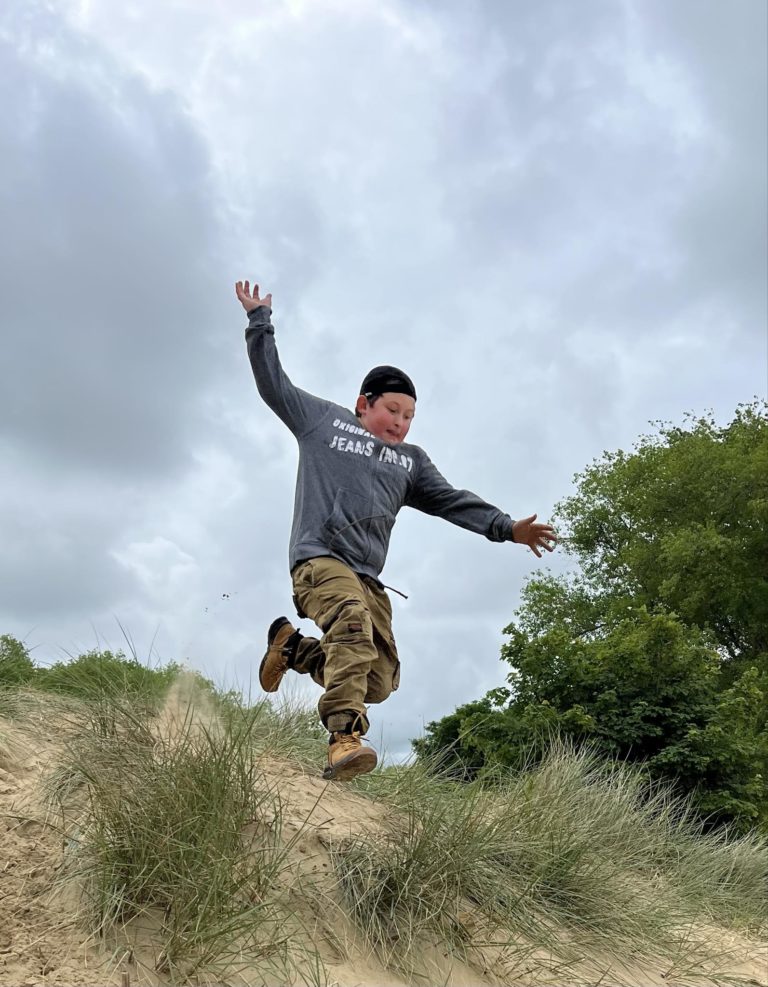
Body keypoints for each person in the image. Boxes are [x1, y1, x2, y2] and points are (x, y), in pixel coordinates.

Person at [236, 279, 556, 781]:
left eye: (409, 416)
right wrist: (260, 322)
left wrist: (507, 527)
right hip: (320, 560)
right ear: (364, 403)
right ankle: (344, 739)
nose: (400, 423)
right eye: (392, 410)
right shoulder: (323, 423)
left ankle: (292, 648)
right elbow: (274, 384)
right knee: (351, 622)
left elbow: (450, 500)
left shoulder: (411, 462)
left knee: (378, 680)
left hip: (368, 579)